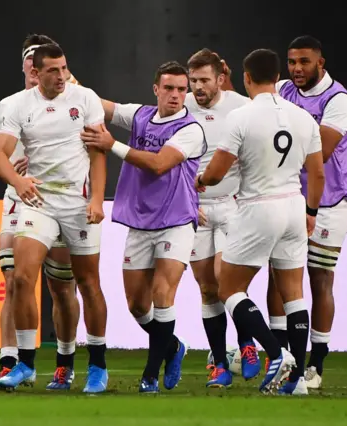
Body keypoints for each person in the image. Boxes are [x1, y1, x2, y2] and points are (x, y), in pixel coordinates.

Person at [196, 48, 325, 395]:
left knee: (228, 289)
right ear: (279, 76)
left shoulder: (241, 116)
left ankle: (276, 353)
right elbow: (317, 174)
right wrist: (311, 213)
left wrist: (201, 180)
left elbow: (218, 171)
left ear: (247, 78)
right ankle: (296, 382)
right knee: (294, 294)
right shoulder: (303, 118)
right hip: (294, 207)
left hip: (258, 205)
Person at [0, 34, 82, 391]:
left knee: (62, 287)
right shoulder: (11, 105)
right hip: (18, 201)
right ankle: (10, 361)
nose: (36, 70)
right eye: (31, 64)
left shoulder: (75, 98)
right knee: (14, 281)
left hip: (62, 203)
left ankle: (66, 361)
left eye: (44, 65)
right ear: (25, 67)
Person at [81, 61, 205, 394]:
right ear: (156, 89)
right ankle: (172, 347)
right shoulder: (140, 115)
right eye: (169, 88)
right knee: (137, 305)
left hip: (176, 221)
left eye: (182, 89)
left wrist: (112, 146)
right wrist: (70, 86)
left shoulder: (191, 129)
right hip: (140, 223)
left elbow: (159, 164)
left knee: (163, 294)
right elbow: (100, 105)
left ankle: (150, 374)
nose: (176, 95)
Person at [0, 44, 109, 394]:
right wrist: (18, 181)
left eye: (64, 68)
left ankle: (97, 366)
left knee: (87, 284)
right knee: (23, 277)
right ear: (36, 73)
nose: (61, 76)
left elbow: (97, 152)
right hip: (38, 200)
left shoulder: (85, 98)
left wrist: (98, 199)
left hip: (77, 202)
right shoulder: (15, 105)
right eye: (53, 71)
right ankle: (25, 364)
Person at [263, 35, 347, 390]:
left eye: (304, 62)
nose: (297, 69)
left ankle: (316, 362)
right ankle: (283, 357)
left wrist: (271, 149)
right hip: (289, 196)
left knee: (320, 279)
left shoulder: (338, 100)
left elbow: (322, 149)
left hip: (331, 199)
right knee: (279, 275)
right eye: (291, 62)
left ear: (321, 62)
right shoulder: (284, 90)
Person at [184, 48, 261, 386]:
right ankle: (218, 363)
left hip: (232, 205)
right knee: (206, 288)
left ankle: (247, 345)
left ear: (219, 78)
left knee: (227, 280)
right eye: (194, 80)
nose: (198, 87)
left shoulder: (241, 107)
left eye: (204, 80)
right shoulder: (181, 107)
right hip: (195, 209)